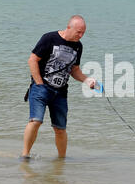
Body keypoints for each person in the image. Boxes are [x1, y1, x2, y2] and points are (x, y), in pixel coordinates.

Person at [21, 15, 96, 159]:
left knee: (60, 129)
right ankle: (25, 156)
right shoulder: (49, 38)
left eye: (83, 33)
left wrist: (87, 81)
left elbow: (74, 70)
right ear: (69, 27)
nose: (80, 35)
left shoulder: (78, 46)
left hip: (60, 92)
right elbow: (32, 60)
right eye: (78, 32)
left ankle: (61, 160)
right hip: (40, 87)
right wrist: (39, 83)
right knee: (36, 120)